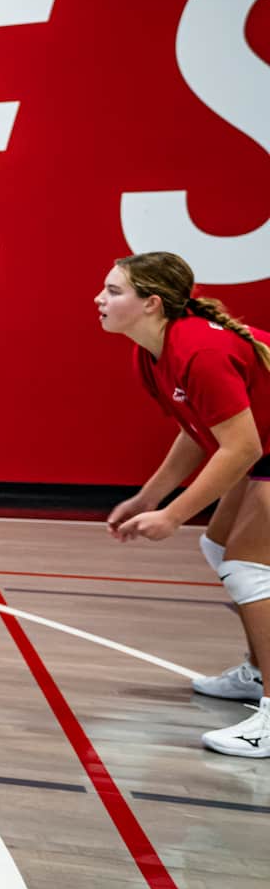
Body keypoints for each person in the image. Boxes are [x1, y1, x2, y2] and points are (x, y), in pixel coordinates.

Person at [99, 251, 270, 757]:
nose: (99, 299)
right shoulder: (151, 353)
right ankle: (258, 670)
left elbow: (241, 449)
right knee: (220, 551)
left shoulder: (200, 350)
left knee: (248, 568)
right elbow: (199, 433)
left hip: (263, 446)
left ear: (151, 304)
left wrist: (174, 515)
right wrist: (149, 497)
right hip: (265, 443)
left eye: (113, 291)